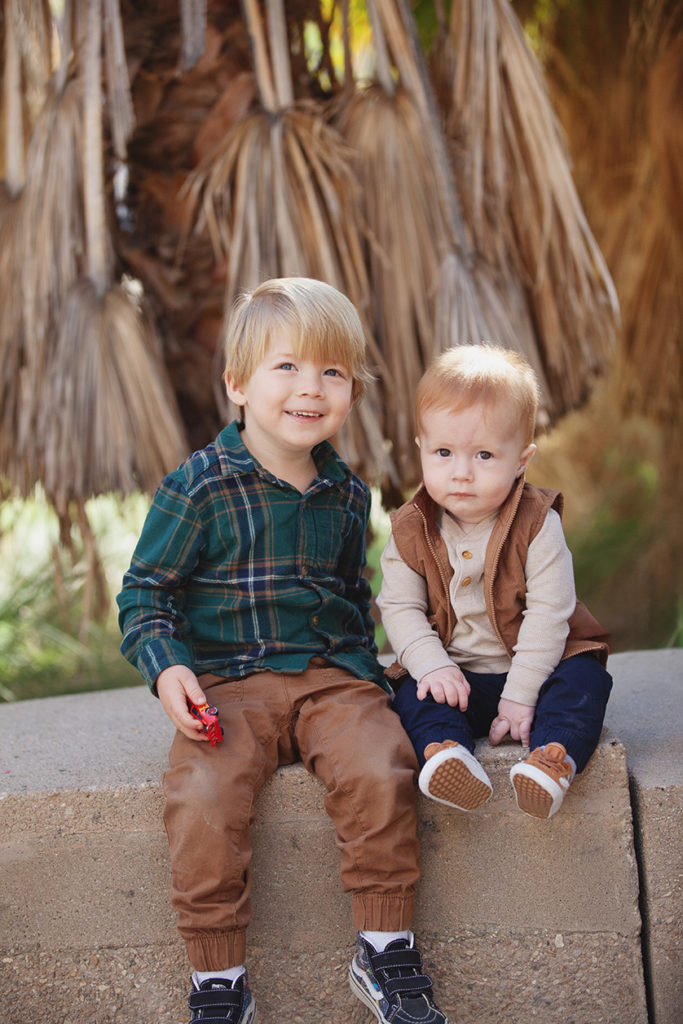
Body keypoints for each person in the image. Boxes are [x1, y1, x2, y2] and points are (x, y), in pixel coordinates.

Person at [117, 277, 448, 1024]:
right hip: (227, 685)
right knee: (201, 796)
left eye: (333, 372)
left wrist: (379, 679)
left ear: (352, 392)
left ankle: (385, 947)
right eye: (288, 367)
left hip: (333, 682)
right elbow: (145, 593)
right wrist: (168, 666)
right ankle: (218, 979)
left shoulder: (347, 493)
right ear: (237, 384)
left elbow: (351, 596)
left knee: (379, 765)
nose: (311, 388)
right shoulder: (198, 486)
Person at [377, 344, 612, 821]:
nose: (461, 472)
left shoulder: (537, 523)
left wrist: (523, 694)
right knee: (411, 692)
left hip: (538, 668)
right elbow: (399, 610)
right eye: (443, 452)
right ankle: (447, 754)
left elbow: (550, 613)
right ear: (421, 448)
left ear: (522, 459)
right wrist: (433, 666)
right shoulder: (409, 528)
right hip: (456, 676)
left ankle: (552, 759)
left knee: (586, 679)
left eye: (484, 454)